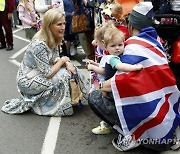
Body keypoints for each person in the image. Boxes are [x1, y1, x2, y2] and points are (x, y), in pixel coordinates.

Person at [88, 1, 180, 152]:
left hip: (152, 127)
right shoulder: (156, 41)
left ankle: (132, 134)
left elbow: (117, 82)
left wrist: (101, 86)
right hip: (165, 112)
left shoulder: (132, 45)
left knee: (95, 97)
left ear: (131, 26)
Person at [1, 8, 89, 116]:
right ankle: (49, 106)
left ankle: (84, 97)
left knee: (72, 70)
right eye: (59, 24)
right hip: (27, 81)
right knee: (64, 76)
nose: (63, 27)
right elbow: (48, 73)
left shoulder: (53, 37)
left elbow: (55, 58)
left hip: (39, 74)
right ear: (49, 25)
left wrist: (67, 63)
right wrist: (63, 61)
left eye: (63, 24)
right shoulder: (40, 44)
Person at [87, 21, 143, 134]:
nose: (117, 48)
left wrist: (135, 68)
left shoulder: (113, 58)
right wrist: (95, 64)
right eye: (113, 46)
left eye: (120, 45)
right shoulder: (113, 57)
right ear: (106, 46)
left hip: (111, 88)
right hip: (112, 86)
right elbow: (106, 67)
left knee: (106, 107)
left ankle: (110, 125)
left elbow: (115, 67)